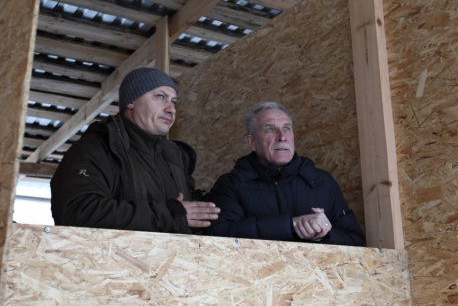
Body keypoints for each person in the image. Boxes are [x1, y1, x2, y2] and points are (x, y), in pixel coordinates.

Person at [51, 68, 220, 234]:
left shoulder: (174, 156)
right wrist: (167, 215)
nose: (172, 109)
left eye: (173, 101)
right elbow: (76, 212)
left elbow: (189, 211)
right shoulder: (98, 147)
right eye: (160, 96)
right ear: (131, 101)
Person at [206, 102, 365, 246]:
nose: (282, 137)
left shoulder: (323, 182)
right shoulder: (230, 185)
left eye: (287, 128)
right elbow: (217, 236)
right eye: (270, 129)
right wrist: (290, 225)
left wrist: (323, 234)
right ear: (252, 142)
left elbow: (356, 240)